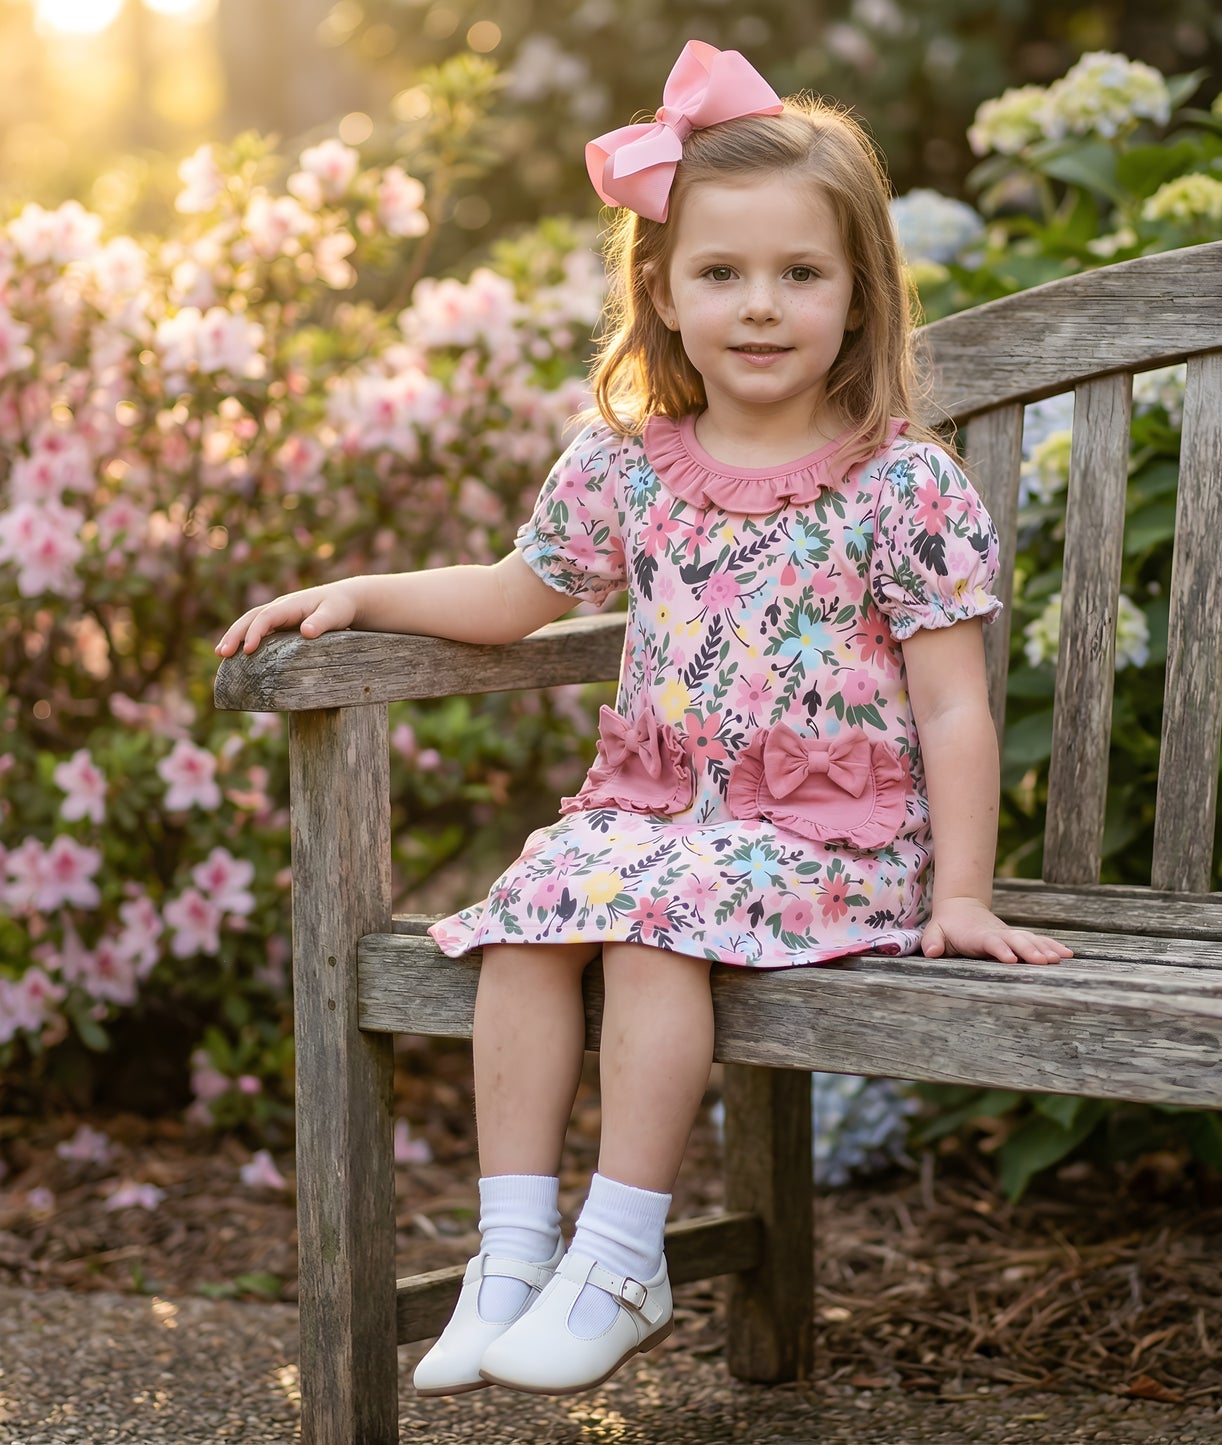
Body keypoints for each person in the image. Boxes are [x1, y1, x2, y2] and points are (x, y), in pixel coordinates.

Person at [216, 38, 1072, 1400]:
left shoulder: (896, 481)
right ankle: (511, 1251)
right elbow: (513, 595)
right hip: (662, 818)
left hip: (832, 841)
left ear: (858, 298)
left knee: (647, 922)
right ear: (661, 291)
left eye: (800, 273)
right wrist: (361, 590)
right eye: (720, 272)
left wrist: (958, 889)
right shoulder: (625, 463)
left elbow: (955, 700)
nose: (759, 305)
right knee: (531, 910)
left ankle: (623, 1256)